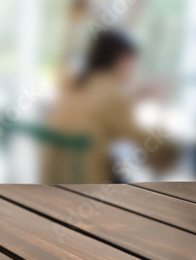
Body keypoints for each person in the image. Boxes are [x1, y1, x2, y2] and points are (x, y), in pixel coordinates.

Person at [44, 30, 175, 183]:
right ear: (122, 60)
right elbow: (152, 146)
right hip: (86, 186)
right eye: (131, 63)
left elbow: (98, 111)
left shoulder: (72, 82)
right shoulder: (113, 96)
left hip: (55, 180)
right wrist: (162, 107)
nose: (132, 71)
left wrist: (132, 99)